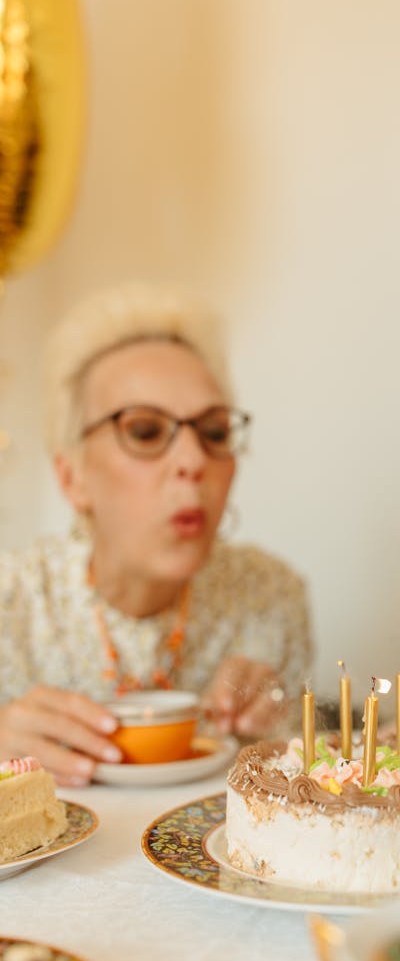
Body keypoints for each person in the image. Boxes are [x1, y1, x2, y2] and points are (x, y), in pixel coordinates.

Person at [0, 283, 312, 785]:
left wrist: (278, 727)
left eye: (214, 433)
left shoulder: (269, 598)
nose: (193, 462)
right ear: (71, 477)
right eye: (145, 431)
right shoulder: (11, 601)